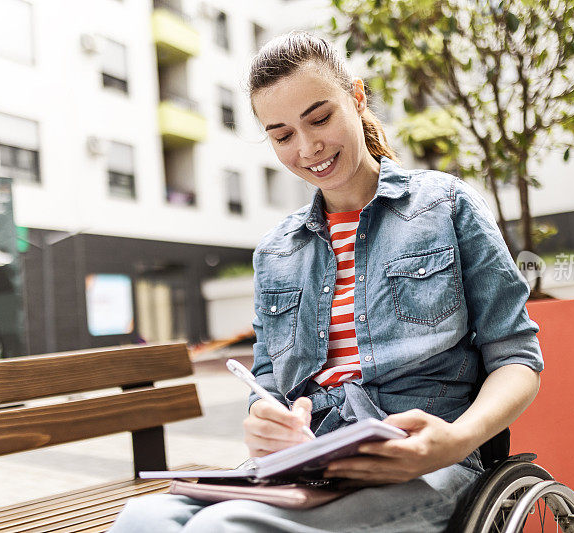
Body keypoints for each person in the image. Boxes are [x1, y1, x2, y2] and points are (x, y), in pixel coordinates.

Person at [109, 30, 543, 533]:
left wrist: (456, 440)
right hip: (308, 468)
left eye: (320, 118)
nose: (308, 147)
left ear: (356, 99)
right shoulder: (277, 251)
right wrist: (265, 424)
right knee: (143, 520)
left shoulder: (445, 206)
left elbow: (516, 357)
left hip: (426, 467)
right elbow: (267, 385)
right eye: (282, 135)